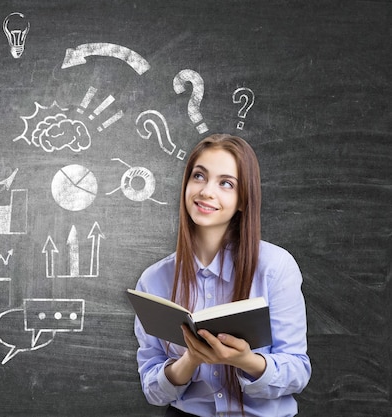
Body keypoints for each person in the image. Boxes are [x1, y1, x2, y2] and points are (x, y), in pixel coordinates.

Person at [133, 134, 311, 417]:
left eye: (226, 183)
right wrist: (190, 359)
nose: (206, 191)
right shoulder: (154, 280)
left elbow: (298, 371)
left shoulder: (276, 267)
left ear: (242, 201)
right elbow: (153, 391)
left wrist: (247, 361)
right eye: (199, 176)